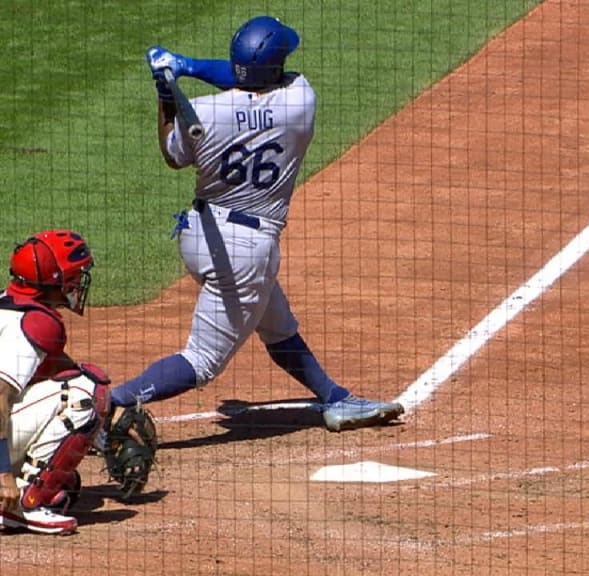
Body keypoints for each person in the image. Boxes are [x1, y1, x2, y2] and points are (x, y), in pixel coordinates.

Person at [106, 16, 404, 441]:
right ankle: (106, 404)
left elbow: (173, 154)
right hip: (248, 247)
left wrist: (167, 92)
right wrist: (187, 68)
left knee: (276, 322)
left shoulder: (205, 114)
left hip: (200, 234)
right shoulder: (299, 103)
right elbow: (249, 79)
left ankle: (334, 397)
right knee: (203, 360)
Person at [0, 230, 111, 534]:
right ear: (54, 279)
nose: (78, 282)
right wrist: (3, 475)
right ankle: (26, 505)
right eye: (74, 275)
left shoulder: (10, 303)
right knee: (87, 391)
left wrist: (107, 435)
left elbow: (60, 367)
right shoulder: (36, 323)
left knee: (68, 483)